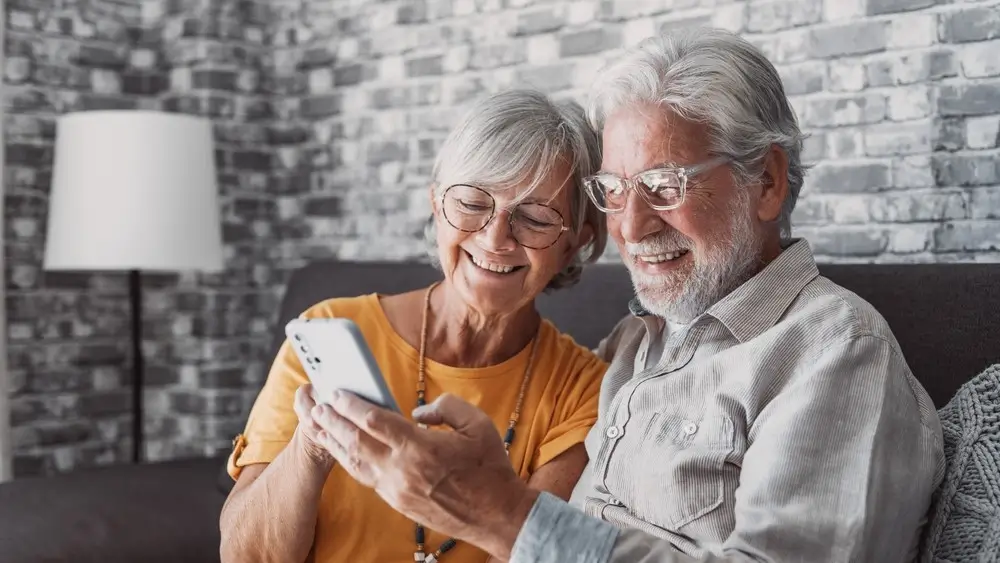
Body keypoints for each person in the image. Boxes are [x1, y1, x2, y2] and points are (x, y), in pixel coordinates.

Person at [311, 28, 947, 563]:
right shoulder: (633, 345)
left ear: (768, 183)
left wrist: (506, 514)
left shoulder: (835, 352)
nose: (631, 228)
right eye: (613, 190)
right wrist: (499, 492)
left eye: (666, 186)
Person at [218, 89, 613, 563]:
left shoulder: (584, 391)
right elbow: (244, 556)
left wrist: (487, 500)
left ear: (575, 244)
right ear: (436, 205)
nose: (494, 238)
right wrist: (314, 444)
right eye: (471, 202)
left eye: (533, 217)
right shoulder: (329, 329)